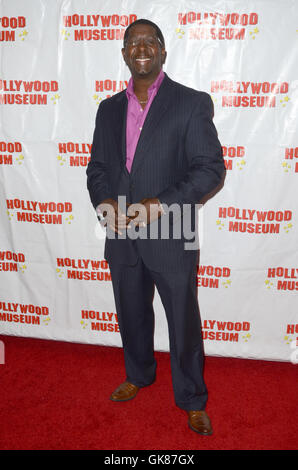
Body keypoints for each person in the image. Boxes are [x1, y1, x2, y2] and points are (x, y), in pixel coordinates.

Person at [87, 19, 225, 436]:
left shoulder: (190, 102)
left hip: (172, 230)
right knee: (131, 313)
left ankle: (192, 398)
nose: (141, 47)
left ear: (163, 51)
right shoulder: (108, 108)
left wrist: (160, 205)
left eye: (150, 41)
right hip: (121, 233)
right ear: (124, 53)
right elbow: (96, 169)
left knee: (182, 320)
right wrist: (104, 202)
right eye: (133, 42)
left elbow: (210, 169)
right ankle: (139, 373)